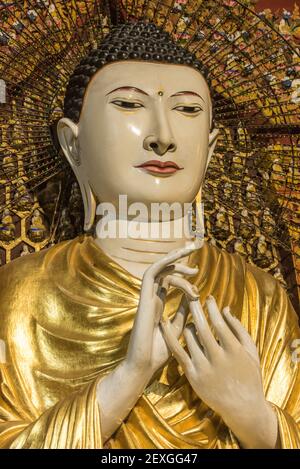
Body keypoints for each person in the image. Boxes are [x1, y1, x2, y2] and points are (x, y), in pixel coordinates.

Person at [0, 21, 299, 449]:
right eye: (128, 104)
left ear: (211, 148)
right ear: (73, 144)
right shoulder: (17, 295)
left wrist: (252, 415)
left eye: (188, 110)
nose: (163, 137)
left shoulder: (260, 297)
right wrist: (128, 376)